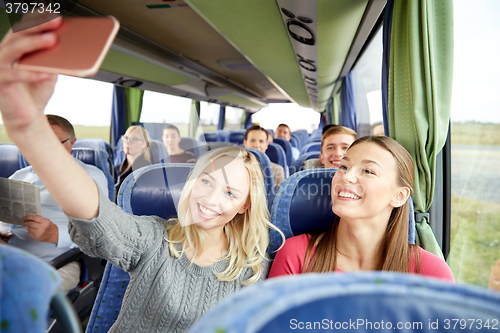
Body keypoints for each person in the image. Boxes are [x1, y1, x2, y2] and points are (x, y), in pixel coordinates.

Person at [0, 15, 284, 331]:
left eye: (230, 192)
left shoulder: (251, 266)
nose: (210, 198)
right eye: (205, 180)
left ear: (244, 205)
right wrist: (30, 129)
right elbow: (98, 216)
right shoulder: (155, 238)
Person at [269, 136, 454, 282]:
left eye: (368, 171)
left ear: (399, 196)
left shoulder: (431, 272)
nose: (346, 176)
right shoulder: (295, 255)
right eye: (343, 166)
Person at [0, 115, 108, 293]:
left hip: (58, 262)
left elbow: (100, 233)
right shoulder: (19, 175)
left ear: (72, 143)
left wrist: (56, 235)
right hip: (10, 257)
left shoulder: (90, 178)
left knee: (21, 295)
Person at [114, 125, 152, 197]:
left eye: (133, 139)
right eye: (126, 138)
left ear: (145, 144)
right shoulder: (115, 169)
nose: (127, 142)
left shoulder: (148, 171)